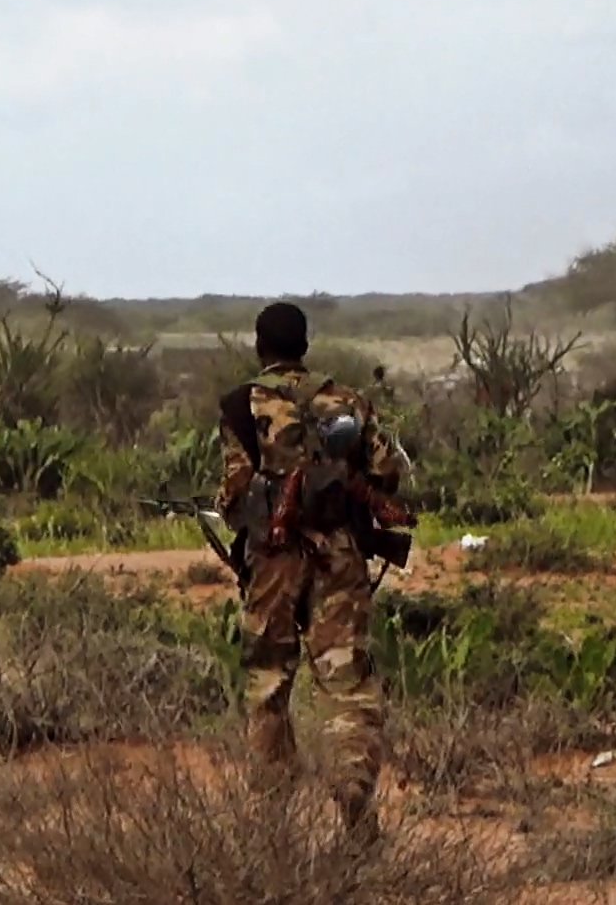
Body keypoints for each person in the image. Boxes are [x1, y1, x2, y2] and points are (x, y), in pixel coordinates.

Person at [214, 301, 409, 836]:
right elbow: (387, 473)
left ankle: (272, 818)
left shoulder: (240, 405)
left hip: (273, 563)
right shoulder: (347, 401)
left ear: (260, 346)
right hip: (339, 556)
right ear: (304, 345)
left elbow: (234, 494)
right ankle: (353, 797)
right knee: (346, 682)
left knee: (268, 682)